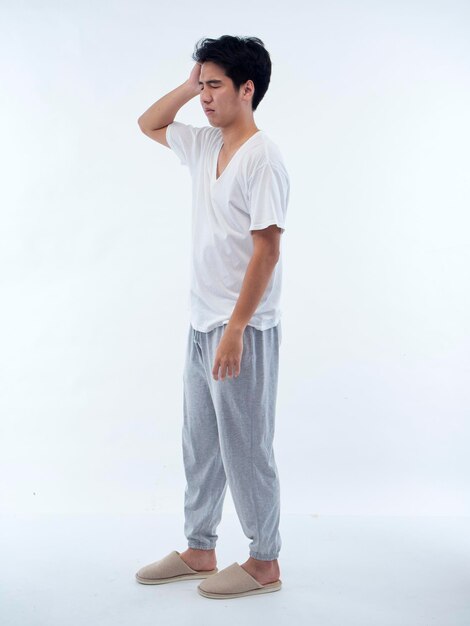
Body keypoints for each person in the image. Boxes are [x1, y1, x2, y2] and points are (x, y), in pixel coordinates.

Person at [135, 35, 289, 599]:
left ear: (247, 89)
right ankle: (200, 547)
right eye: (201, 85)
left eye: (214, 85)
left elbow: (267, 250)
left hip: (242, 330)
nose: (203, 96)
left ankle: (264, 561)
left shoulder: (263, 158)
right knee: (200, 441)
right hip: (202, 324)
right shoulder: (204, 146)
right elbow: (148, 123)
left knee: (246, 445)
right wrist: (190, 79)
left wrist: (236, 328)